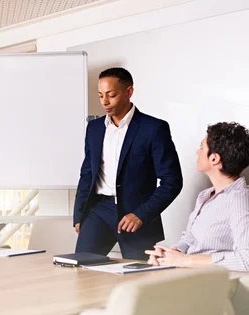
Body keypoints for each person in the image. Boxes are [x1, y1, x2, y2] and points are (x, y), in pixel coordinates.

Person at [73, 67, 183, 259]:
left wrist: (141, 214)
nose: (104, 102)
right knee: (81, 269)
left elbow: (172, 180)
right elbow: (87, 174)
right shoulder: (94, 128)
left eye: (111, 95)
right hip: (98, 210)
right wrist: (79, 214)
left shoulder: (154, 128)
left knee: (139, 277)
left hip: (135, 215)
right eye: (100, 96)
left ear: (129, 92)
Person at [146, 122, 249, 271]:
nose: (197, 151)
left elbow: (246, 259)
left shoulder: (240, 200)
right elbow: (190, 239)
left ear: (214, 158)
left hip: (210, 282)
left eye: (201, 147)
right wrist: (171, 254)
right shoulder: (205, 195)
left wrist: (186, 260)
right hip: (189, 275)